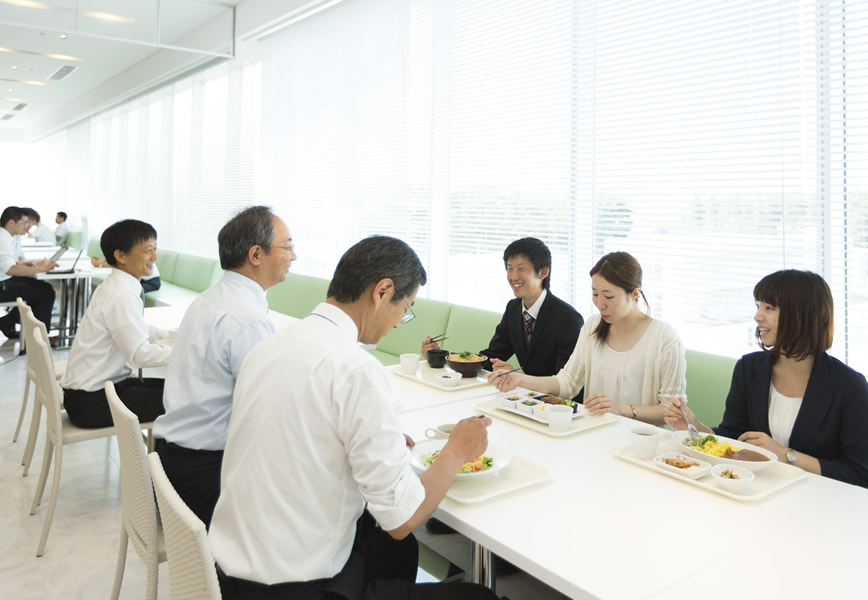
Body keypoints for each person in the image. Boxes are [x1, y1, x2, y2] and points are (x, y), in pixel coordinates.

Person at [209, 236, 497, 600]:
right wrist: (457, 449)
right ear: (382, 291)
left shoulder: (270, 346)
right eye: (404, 308)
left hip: (233, 570)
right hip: (298, 586)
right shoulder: (355, 368)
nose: (398, 324)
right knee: (476, 595)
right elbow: (402, 518)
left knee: (397, 551)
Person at [152, 206, 296, 527]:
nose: (293, 256)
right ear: (256, 254)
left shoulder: (209, 299)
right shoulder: (246, 319)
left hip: (173, 461)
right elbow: (272, 409)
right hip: (206, 475)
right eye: (288, 247)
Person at [664, 270, 868, 488]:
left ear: (801, 314)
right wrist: (696, 427)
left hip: (820, 500)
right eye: (758, 306)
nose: (757, 316)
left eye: (769, 308)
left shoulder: (850, 386)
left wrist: (787, 455)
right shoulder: (749, 368)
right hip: (756, 490)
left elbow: (858, 473)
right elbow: (734, 437)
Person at [490, 251, 686, 425]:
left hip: (641, 441)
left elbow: (672, 410)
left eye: (608, 297)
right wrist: (519, 380)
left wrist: (621, 409)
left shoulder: (664, 338)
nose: (600, 304)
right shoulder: (593, 326)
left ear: (634, 293)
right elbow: (567, 383)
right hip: (592, 430)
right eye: (595, 294)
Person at [60, 219, 171, 428]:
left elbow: (131, 330)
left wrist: (172, 334)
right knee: (186, 401)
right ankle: (160, 460)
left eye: (155, 249)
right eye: (148, 250)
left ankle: (159, 458)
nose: (155, 257)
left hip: (91, 393)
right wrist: (189, 351)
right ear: (120, 256)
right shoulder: (121, 294)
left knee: (179, 390)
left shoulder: (117, 285)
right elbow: (139, 356)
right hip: (93, 402)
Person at [422, 237, 583, 378]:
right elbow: (490, 358)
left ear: (543, 272)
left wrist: (519, 378)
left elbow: (565, 383)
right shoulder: (514, 308)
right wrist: (443, 356)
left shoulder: (568, 319)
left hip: (557, 406)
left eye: (521, 269)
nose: (513, 277)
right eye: (509, 268)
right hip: (523, 398)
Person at [0, 206, 57, 339]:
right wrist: (41, 269)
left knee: (41, 288)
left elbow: (11, 263)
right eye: (24, 223)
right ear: (11, 223)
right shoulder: (3, 238)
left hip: (5, 280)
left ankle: (10, 322)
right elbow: (10, 269)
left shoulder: (6, 235)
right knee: (46, 292)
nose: (26, 226)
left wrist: (30, 265)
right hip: (2, 284)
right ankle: (38, 339)